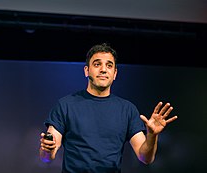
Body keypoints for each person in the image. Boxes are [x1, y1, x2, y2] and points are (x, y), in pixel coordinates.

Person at [39, 43, 178, 173]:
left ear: (115, 73)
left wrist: (152, 136)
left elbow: (145, 158)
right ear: (86, 70)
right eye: (97, 64)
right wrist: (47, 149)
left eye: (109, 65)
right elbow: (47, 157)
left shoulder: (127, 109)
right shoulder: (65, 105)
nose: (103, 69)